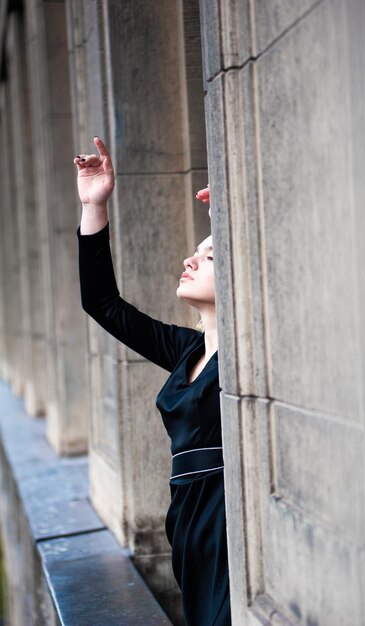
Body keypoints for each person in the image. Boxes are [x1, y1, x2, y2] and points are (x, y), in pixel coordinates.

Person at [74, 137, 231, 626]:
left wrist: (229, 216)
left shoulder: (248, 351)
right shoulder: (186, 348)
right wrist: (94, 205)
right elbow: (102, 304)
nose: (189, 259)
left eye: (207, 256)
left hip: (229, 514)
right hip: (186, 518)